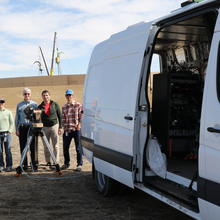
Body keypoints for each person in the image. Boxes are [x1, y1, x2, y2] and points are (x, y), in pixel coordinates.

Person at [15, 88, 38, 171]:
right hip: (22, 128)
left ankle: (33, 164)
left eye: (28, 94)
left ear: (30, 94)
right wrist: (17, 129)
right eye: (25, 94)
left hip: (31, 128)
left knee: (32, 147)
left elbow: (37, 117)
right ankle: (24, 165)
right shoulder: (19, 105)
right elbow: (17, 118)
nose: (27, 95)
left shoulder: (35, 104)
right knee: (23, 147)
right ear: (23, 95)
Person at [38, 90, 62, 167]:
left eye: (47, 95)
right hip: (44, 128)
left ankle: (56, 161)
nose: (45, 97)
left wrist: (60, 127)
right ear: (42, 97)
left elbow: (60, 116)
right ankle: (48, 161)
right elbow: (38, 119)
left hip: (54, 126)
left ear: (49, 96)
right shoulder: (39, 107)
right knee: (46, 145)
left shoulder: (55, 104)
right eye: (44, 95)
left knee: (56, 145)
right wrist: (39, 129)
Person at [61, 89, 83, 171]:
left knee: (78, 148)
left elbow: (81, 116)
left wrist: (79, 124)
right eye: (67, 95)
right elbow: (63, 119)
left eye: (70, 95)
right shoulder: (64, 107)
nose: (69, 96)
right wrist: (63, 128)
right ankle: (66, 163)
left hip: (76, 130)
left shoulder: (78, 105)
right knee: (65, 148)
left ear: (73, 96)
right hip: (67, 130)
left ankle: (79, 164)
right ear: (65, 96)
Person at [0, 98, 14, 172]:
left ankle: (9, 165)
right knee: (0, 151)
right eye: (0, 102)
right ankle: (1, 166)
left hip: (7, 134)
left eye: (2, 102)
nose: (1, 103)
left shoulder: (8, 112)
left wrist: (9, 131)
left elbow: (12, 123)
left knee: (8, 151)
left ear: (4, 103)